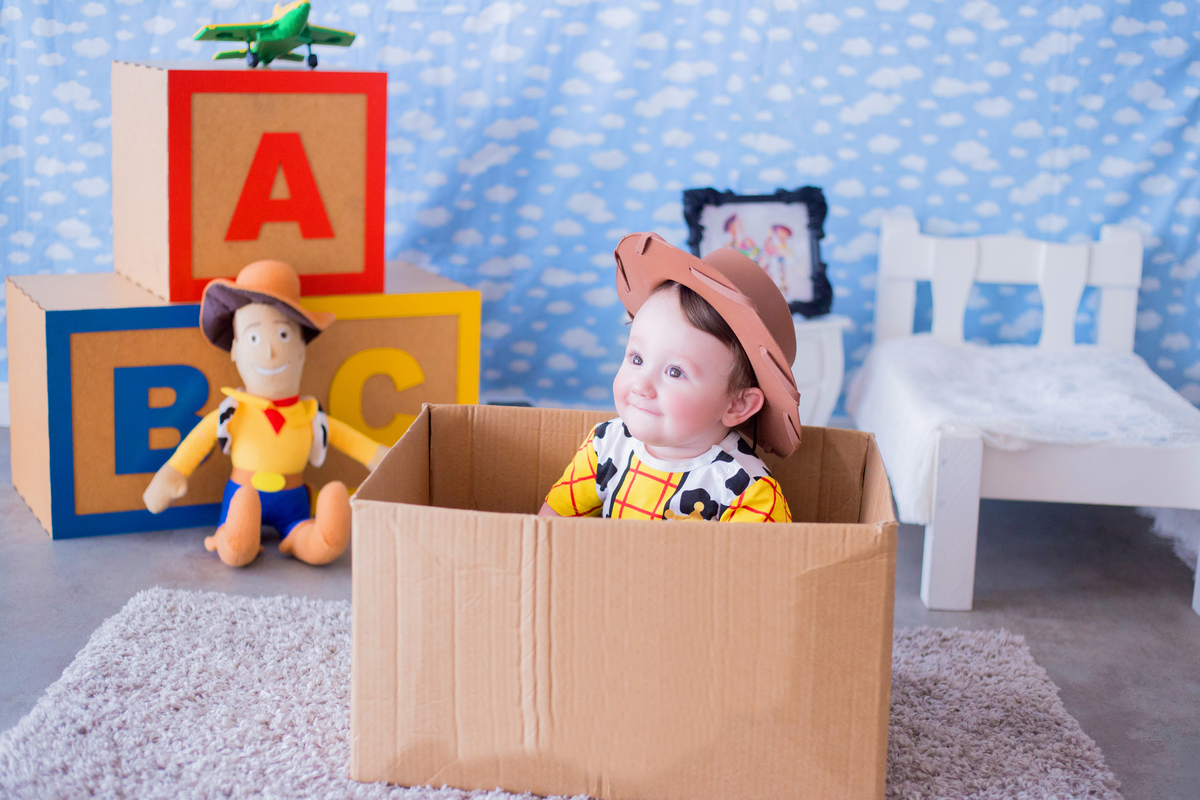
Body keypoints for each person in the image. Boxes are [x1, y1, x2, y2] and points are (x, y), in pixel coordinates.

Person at [539, 232, 802, 522]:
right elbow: (548, 531)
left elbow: (765, 568)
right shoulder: (606, 446)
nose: (641, 385)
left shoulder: (746, 493)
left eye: (675, 372)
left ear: (737, 405)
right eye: (636, 359)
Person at [141, 260, 388, 567]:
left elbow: (351, 441)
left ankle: (316, 538)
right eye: (255, 338)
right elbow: (198, 441)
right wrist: (171, 473)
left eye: (283, 336)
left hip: (294, 504)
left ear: (301, 347)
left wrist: (382, 458)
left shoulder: (310, 415)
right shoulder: (232, 413)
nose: (270, 352)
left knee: (313, 531)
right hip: (242, 494)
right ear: (235, 350)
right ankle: (237, 538)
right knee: (239, 523)